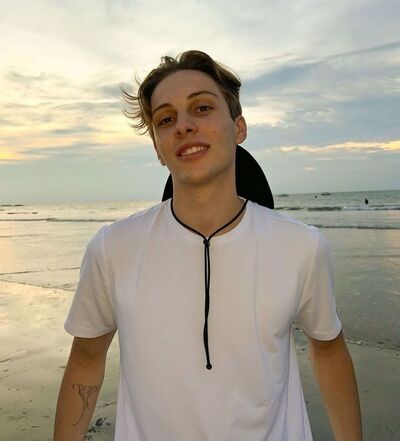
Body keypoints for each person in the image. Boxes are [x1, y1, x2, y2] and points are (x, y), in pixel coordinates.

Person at [54, 50, 363, 441]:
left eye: (201, 108)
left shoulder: (300, 245)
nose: (184, 125)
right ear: (158, 148)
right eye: (166, 119)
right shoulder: (113, 249)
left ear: (238, 127)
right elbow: (85, 361)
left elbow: (329, 351)